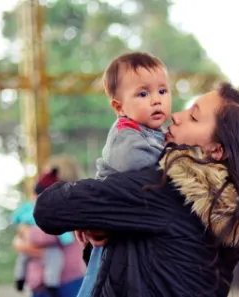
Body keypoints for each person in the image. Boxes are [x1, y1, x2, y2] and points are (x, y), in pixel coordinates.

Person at [34, 83, 239, 297]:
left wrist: (91, 214)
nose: (176, 115)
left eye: (194, 117)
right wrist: (105, 224)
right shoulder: (230, 210)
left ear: (217, 150)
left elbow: (49, 208)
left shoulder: (165, 188)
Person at [75, 52, 171, 297]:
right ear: (119, 107)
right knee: (99, 279)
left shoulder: (154, 131)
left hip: (130, 224)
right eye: (143, 94)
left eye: (162, 91)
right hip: (110, 218)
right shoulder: (125, 133)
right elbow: (137, 163)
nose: (156, 100)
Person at [13, 164, 86, 297]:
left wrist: (26, 234)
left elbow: (49, 234)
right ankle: (20, 278)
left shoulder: (68, 211)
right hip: (41, 282)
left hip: (67, 279)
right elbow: (20, 240)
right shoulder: (34, 211)